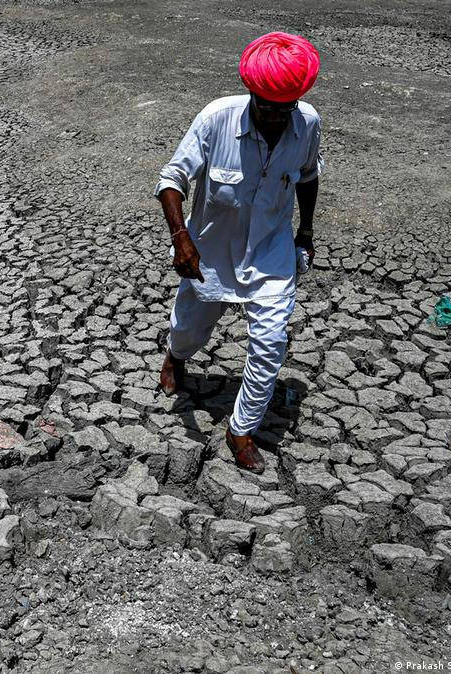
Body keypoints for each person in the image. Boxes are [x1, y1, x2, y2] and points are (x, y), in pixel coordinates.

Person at [153, 32, 323, 474]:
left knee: (269, 343)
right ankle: (175, 355)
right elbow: (172, 179)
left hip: (270, 252)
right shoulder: (216, 119)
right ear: (251, 92)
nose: (273, 116)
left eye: (282, 108)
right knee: (191, 329)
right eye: (265, 106)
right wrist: (181, 238)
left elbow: (306, 177)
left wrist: (304, 232)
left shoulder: (307, 124)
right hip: (210, 250)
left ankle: (241, 428)